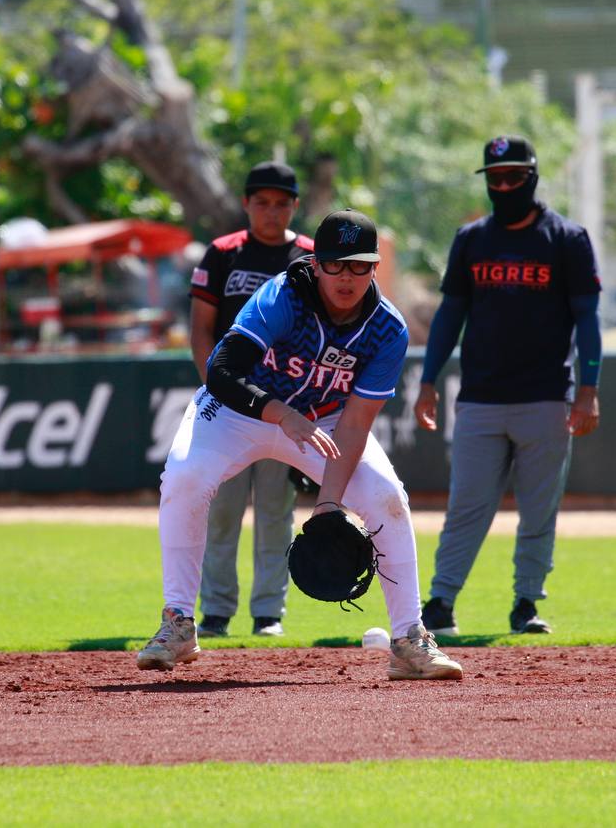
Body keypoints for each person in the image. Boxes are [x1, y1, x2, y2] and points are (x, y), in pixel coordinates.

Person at [138, 209, 463, 681]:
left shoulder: (387, 329)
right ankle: (178, 623)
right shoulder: (283, 297)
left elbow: (356, 422)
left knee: (386, 497)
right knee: (184, 478)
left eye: (359, 265)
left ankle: (409, 638)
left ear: (374, 268)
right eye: (335, 264)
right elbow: (222, 371)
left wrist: (329, 503)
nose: (346, 276)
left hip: (323, 420)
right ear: (316, 264)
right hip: (238, 411)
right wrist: (280, 414)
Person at [413, 134, 602, 636]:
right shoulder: (471, 239)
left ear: (532, 177)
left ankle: (526, 603)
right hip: (480, 397)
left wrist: (588, 389)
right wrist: (428, 380)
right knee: (466, 508)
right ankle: (441, 602)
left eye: (513, 177)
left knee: (539, 511)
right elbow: (450, 314)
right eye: (494, 178)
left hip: (546, 396)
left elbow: (587, 318)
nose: (502, 186)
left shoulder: (567, 239)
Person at [187, 162, 314, 638]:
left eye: (281, 203)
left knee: (276, 513)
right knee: (222, 510)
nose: (271, 212)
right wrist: (216, 388)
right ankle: (216, 611)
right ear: (246, 204)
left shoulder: (310, 256)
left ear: (295, 206)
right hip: (230, 404)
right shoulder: (223, 253)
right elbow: (201, 329)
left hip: (286, 404)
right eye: (262, 203)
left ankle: (268, 613)